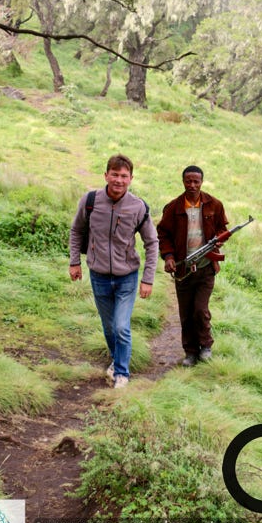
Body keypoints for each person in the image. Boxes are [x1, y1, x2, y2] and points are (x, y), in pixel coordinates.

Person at [69, 154, 158, 388]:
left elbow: (152, 242)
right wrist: (74, 262)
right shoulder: (90, 201)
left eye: (124, 176)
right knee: (109, 327)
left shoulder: (138, 207)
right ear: (106, 175)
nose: (119, 180)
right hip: (98, 275)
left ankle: (122, 374)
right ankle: (116, 359)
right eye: (115, 175)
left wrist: (148, 279)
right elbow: (76, 231)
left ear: (131, 178)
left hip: (127, 277)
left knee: (121, 326)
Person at [157, 165, 228, 367]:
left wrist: (220, 239)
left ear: (202, 182)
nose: (192, 185)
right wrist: (169, 257)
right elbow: (163, 234)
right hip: (184, 271)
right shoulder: (173, 208)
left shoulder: (214, 204)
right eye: (188, 181)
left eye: (196, 181)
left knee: (200, 310)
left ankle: (205, 346)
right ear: (183, 182)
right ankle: (190, 352)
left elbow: (223, 227)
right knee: (186, 313)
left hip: (206, 268)